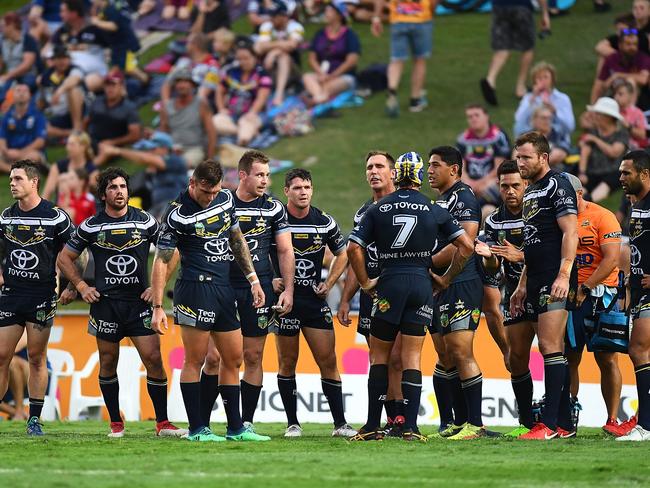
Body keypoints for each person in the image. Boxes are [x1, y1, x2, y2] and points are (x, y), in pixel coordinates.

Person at [348, 151, 473, 441]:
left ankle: (371, 426)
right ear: (417, 176)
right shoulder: (434, 208)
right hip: (420, 283)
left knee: (379, 355)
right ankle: (411, 428)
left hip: (389, 283)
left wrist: (366, 283)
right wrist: (445, 279)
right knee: (412, 357)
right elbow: (466, 246)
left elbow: (354, 248)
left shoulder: (377, 208)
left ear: (397, 175)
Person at [57, 167, 186, 438]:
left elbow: (170, 251)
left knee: (153, 359)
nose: (119, 192)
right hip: (106, 305)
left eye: (123, 187)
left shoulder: (145, 221)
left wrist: (157, 288)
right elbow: (65, 258)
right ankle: (116, 422)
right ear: (103, 194)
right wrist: (81, 286)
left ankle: (162, 423)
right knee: (107, 361)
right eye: (113, 187)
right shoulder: (91, 225)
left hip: (139, 303)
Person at [150, 159, 270, 442]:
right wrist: (157, 306)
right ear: (193, 184)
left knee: (234, 358)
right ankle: (197, 429)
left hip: (223, 288)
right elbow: (161, 261)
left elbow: (236, 239)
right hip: (194, 290)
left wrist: (254, 280)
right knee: (196, 359)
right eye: (206, 192)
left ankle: (236, 428)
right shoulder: (176, 214)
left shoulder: (226, 200)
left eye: (216, 191)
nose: (211, 197)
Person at [200, 150, 294, 430]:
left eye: (267, 175)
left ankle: (246, 423)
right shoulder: (220, 201)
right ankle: (201, 424)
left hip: (259, 288)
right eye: (259, 175)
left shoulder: (274, 208)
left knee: (253, 356)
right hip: (221, 285)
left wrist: (288, 288)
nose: (265, 180)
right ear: (242, 175)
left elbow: (286, 249)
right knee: (214, 357)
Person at [275, 168, 356, 438]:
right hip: (285, 301)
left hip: (312, 300)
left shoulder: (323, 221)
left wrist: (330, 282)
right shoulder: (276, 219)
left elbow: (343, 254)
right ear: (286, 191)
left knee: (328, 360)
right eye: (297, 188)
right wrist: (270, 281)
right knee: (287, 362)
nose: (303, 192)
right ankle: (292, 423)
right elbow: (259, 252)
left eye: (307, 187)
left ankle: (340, 424)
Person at [510, 131, 579, 440]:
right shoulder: (532, 190)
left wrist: (564, 274)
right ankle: (563, 423)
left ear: (543, 158)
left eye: (526, 157)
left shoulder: (558, 184)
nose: (520, 162)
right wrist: (522, 284)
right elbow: (533, 241)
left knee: (551, 346)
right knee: (550, 347)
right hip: (536, 276)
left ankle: (548, 425)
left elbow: (570, 232)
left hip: (554, 275)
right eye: (517, 157)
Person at [0, 159, 73, 436]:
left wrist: (72, 286)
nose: (12, 183)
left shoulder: (56, 216)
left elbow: (78, 251)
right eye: (10, 179)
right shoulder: (6, 216)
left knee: (36, 357)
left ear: (34, 182)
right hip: (11, 296)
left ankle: (34, 418)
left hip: (41, 295)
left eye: (18, 179)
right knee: (1, 355)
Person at [338, 151, 405, 435]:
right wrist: (345, 299)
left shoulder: (406, 204)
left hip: (402, 289)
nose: (373, 171)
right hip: (371, 296)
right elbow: (357, 259)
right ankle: (388, 420)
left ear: (393, 173)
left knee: (399, 358)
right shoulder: (363, 212)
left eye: (380, 166)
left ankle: (401, 419)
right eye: (369, 167)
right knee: (378, 358)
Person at [427, 146, 486, 440]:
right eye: (428, 165)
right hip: (439, 284)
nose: (429, 170)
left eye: (435, 165)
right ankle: (452, 423)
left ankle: (475, 424)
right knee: (444, 354)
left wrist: (427, 263)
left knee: (462, 351)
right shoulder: (441, 201)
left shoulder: (464, 197)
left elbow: (466, 241)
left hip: (461, 282)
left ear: (454, 169)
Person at [558, 172, 623, 437]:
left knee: (607, 358)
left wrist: (585, 287)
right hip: (572, 297)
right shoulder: (560, 220)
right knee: (569, 357)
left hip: (602, 296)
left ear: (580, 193)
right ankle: (569, 416)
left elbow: (611, 259)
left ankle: (612, 419)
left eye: (566, 196)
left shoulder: (603, 216)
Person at [475, 160, 533, 437]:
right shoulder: (494, 221)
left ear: (526, 185)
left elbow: (555, 253)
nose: (510, 191)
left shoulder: (539, 215)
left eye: (516, 185)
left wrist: (520, 255)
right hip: (513, 297)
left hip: (546, 291)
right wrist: (489, 260)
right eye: (504, 186)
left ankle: (560, 421)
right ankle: (527, 423)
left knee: (553, 353)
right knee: (518, 359)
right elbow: (494, 269)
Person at [617, 150, 650, 441]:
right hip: (639, 291)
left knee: (638, 349)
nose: (621, 178)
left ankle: (646, 426)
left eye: (626, 172)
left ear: (644, 174)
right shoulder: (636, 206)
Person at [96, 131, 189, 219]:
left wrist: (117, 151)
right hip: (158, 207)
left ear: (164, 148)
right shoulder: (154, 170)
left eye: (153, 149)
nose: (150, 152)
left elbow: (147, 159)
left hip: (175, 205)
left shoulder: (175, 160)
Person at [480, 0, 550, 106]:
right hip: (521, 7)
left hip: (499, 7)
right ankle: (520, 87)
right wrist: (545, 13)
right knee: (527, 48)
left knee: (502, 48)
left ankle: (490, 79)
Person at [371, 0, 434, 116]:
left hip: (398, 20)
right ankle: (415, 101)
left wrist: (376, 18)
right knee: (419, 60)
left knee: (396, 60)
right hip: (422, 19)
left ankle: (392, 92)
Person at [456, 104, 511, 218]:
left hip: (491, 180)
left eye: (477, 115)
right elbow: (460, 166)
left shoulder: (497, 136)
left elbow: (499, 168)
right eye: (470, 116)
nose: (473, 119)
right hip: (470, 181)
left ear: (486, 116)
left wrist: (480, 184)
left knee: (491, 190)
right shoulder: (463, 139)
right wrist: (468, 183)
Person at [213, 41, 272, 147]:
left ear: (254, 57)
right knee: (214, 121)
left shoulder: (262, 74)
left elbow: (262, 97)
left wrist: (253, 112)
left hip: (254, 114)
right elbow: (219, 90)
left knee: (246, 127)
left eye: (246, 58)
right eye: (239, 59)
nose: (243, 62)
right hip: (231, 115)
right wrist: (221, 108)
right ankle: (243, 133)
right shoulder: (231, 72)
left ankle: (242, 140)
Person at [302, 1, 361, 105]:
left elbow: (352, 61)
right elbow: (312, 58)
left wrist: (334, 74)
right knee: (307, 77)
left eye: (329, 11)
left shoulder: (350, 35)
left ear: (339, 15)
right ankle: (320, 98)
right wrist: (321, 73)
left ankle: (316, 98)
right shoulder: (320, 34)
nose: (326, 13)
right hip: (322, 74)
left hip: (342, 75)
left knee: (330, 85)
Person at [160, 68, 217, 168]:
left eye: (185, 81)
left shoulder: (201, 104)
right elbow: (163, 133)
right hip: (173, 149)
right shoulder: (166, 107)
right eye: (178, 82)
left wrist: (210, 160)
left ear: (192, 85)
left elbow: (211, 133)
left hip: (194, 149)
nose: (182, 85)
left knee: (178, 166)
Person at [578, 97, 628, 203]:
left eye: (598, 114)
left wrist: (595, 140)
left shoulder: (621, 133)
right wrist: (582, 172)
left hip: (613, 171)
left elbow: (614, 152)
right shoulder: (593, 131)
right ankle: (579, 201)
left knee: (608, 182)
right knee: (584, 184)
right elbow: (585, 150)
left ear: (608, 117)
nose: (595, 116)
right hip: (593, 171)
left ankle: (589, 200)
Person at [254, 1, 305, 106]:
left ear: (284, 16)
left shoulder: (295, 27)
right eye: (270, 15)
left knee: (284, 57)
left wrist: (273, 52)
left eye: (274, 16)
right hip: (270, 67)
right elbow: (259, 48)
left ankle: (279, 94)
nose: (271, 18)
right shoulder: (267, 26)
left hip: (292, 70)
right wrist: (280, 45)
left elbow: (291, 45)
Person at [52, 0, 109, 92]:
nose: (60, 14)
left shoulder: (94, 28)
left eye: (63, 11)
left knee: (78, 88)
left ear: (74, 13)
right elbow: (52, 51)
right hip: (68, 71)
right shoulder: (62, 31)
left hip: (94, 72)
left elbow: (111, 46)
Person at [85, 69, 142, 162]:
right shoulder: (97, 102)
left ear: (121, 86)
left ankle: (88, 170)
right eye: (107, 85)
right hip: (92, 140)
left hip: (112, 145)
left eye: (113, 85)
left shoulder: (129, 108)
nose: (110, 88)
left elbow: (135, 135)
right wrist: (83, 137)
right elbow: (85, 121)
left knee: (102, 151)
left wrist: (113, 142)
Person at [513, 61, 575, 140]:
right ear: (534, 81)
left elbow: (570, 127)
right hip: (532, 139)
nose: (543, 81)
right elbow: (518, 122)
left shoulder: (563, 99)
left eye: (546, 77)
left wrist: (555, 112)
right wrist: (532, 99)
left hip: (557, 139)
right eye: (539, 78)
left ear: (552, 79)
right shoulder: (528, 98)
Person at [591, 29, 650, 110]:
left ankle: (629, 113)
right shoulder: (611, 59)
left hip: (640, 100)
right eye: (628, 44)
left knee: (631, 81)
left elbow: (643, 79)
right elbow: (599, 84)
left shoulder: (643, 58)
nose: (632, 47)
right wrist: (593, 107)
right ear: (620, 45)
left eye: (635, 44)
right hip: (613, 94)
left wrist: (617, 75)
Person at [38, 45, 84, 139]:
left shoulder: (74, 69)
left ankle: (77, 128)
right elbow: (42, 100)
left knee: (73, 90)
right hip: (58, 114)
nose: (62, 61)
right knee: (42, 127)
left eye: (64, 58)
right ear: (53, 60)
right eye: (59, 58)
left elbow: (74, 79)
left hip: (78, 112)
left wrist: (59, 91)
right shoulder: (46, 76)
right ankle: (70, 134)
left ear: (69, 59)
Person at [0, 83, 47, 174]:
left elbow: (40, 141)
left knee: (34, 157)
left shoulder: (38, 115)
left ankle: (9, 169)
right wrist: (6, 151)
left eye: (25, 91)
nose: (21, 93)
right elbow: (2, 138)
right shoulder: (7, 116)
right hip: (10, 153)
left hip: (29, 153)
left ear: (30, 95)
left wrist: (20, 153)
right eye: (18, 91)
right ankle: (16, 170)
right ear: (13, 95)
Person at [42, 130, 97, 201]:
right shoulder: (58, 166)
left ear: (83, 147)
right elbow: (46, 194)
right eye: (67, 144)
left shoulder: (92, 171)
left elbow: (89, 199)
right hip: (60, 208)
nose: (67, 148)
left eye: (72, 144)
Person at [0, 12, 42, 103]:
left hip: (28, 75)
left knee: (17, 88)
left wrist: (7, 76)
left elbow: (26, 65)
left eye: (3, 26)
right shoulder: (2, 40)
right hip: (10, 75)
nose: (1, 28)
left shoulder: (28, 40)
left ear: (12, 25)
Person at [612, 78, 647, 150]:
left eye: (620, 94)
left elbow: (642, 135)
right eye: (615, 93)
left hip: (631, 149)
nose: (616, 97)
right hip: (612, 144)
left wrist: (628, 127)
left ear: (630, 96)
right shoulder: (611, 110)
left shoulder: (637, 113)